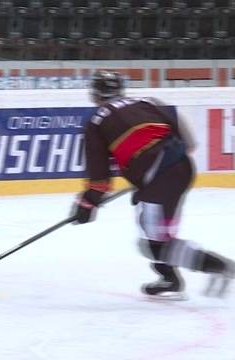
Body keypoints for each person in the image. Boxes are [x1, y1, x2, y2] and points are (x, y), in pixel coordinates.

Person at [72, 69, 233, 299]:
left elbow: (99, 180)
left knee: (153, 245)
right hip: (183, 167)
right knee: (155, 232)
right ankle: (170, 279)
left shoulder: (96, 123)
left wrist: (86, 205)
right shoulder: (147, 101)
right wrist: (150, 172)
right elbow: (187, 142)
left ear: (94, 95)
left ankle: (218, 266)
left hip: (160, 179)